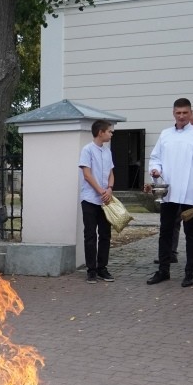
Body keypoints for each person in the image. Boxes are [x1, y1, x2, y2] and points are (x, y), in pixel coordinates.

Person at [145, 98, 193, 287]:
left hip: (191, 190)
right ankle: (163, 270)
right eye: (178, 113)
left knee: (191, 232)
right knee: (165, 231)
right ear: (173, 113)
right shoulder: (165, 134)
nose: (181, 116)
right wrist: (155, 170)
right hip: (169, 191)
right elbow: (155, 158)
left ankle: (190, 272)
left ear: (190, 113)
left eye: (185, 113)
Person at [79, 120, 116, 283]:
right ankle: (91, 270)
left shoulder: (107, 151)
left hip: (105, 199)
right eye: (109, 131)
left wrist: (109, 188)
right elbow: (87, 174)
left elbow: (111, 172)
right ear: (101, 132)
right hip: (90, 199)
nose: (111, 134)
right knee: (90, 235)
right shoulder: (87, 150)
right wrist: (100, 190)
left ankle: (102, 268)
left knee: (105, 235)